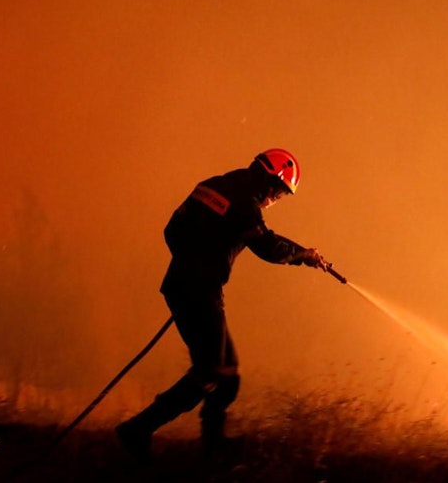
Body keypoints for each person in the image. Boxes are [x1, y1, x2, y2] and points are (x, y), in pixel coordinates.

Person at [115, 148, 329, 460]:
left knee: (227, 373)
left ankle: (212, 444)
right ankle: (138, 430)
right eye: (281, 194)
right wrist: (304, 256)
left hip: (182, 285)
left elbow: (171, 230)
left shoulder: (213, 185)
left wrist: (191, 261)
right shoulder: (246, 205)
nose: (276, 200)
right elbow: (267, 247)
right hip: (198, 291)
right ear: (272, 182)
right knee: (212, 372)